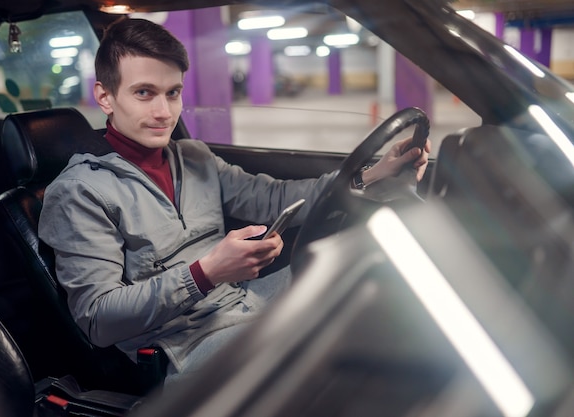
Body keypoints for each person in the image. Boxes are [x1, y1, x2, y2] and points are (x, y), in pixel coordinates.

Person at [38, 17, 430, 385]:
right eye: (144, 93)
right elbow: (98, 319)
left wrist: (370, 175)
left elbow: (276, 196)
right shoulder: (79, 192)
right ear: (105, 97)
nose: (163, 112)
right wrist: (206, 272)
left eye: (172, 93)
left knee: (372, 291)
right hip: (183, 344)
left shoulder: (194, 157)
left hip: (245, 299)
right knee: (314, 366)